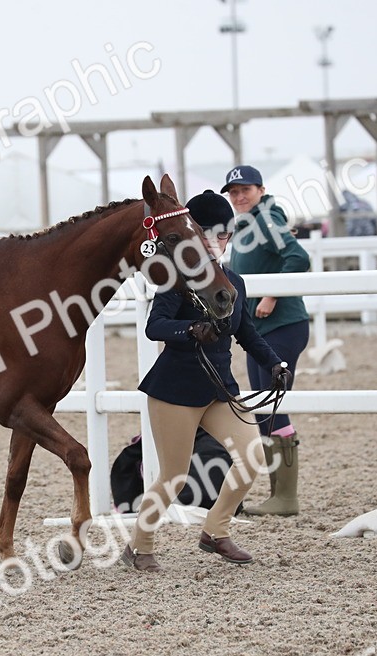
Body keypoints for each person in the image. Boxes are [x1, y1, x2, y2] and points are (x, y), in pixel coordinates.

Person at [121, 189, 291, 572]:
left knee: (252, 457)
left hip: (218, 390)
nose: (215, 243)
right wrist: (191, 329)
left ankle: (215, 531)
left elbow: (247, 333)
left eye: (223, 235)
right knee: (174, 477)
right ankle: (140, 545)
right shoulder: (175, 280)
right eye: (207, 235)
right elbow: (155, 327)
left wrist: (275, 363)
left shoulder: (233, 282)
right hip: (175, 392)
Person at [222, 166, 311, 517]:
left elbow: (299, 258)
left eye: (245, 190)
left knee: (271, 404)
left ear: (260, 189)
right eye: (233, 192)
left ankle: (286, 497)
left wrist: (272, 294)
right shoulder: (252, 222)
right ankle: (279, 496)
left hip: (281, 325)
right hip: (262, 329)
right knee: (263, 406)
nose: (239, 197)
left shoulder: (265, 219)